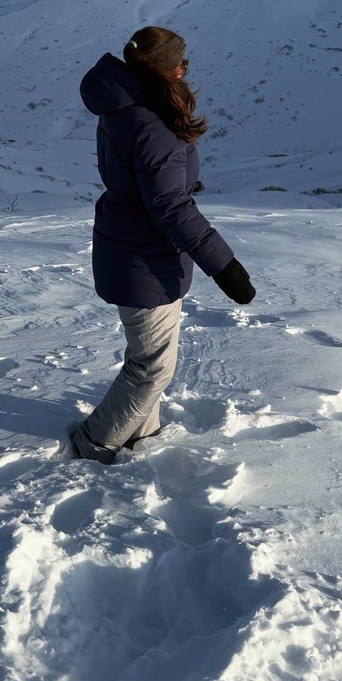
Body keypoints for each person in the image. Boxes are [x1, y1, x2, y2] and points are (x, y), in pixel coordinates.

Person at [68, 25, 256, 463]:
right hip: (145, 257)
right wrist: (225, 266)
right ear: (166, 70)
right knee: (151, 367)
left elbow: (154, 188)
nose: (185, 70)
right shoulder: (151, 124)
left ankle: (141, 437)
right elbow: (168, 206)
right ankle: (92, 445)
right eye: (181, 64)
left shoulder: (122, 105)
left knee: (147, 357)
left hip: (131, 245)